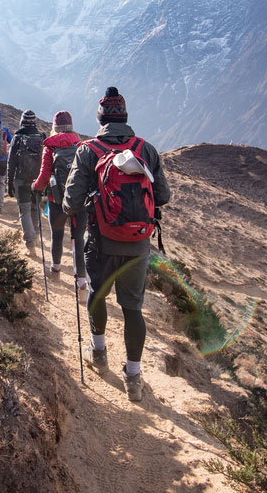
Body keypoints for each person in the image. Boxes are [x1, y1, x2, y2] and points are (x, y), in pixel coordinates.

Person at [63, 87, 170, 403]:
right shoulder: (145, 150)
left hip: (101, 242)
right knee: (133, 307)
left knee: (98, 294)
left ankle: (98, 354)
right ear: (125, 117)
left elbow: (71, 203)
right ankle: (134, 377)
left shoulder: (87, 151)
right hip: (138, 245)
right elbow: (162, 195)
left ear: (100, 119)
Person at [32, 110, 83, 278]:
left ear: (55, 127)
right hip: (78, 200)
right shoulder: (80, 146)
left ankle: (55, 270)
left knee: (57, 234)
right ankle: (82, 283)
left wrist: (36, 187)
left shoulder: (50, 147)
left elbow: (45, 175)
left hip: (57, 200)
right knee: (78, 240)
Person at [7, 109, 46, 242]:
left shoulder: (17, 138)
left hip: (21, 179)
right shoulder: (42, 137)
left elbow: (11, 162)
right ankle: (35, 238)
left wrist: (9, 182)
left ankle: (30, 244)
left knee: (24, 211)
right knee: (35, 209)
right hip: (38, 180)